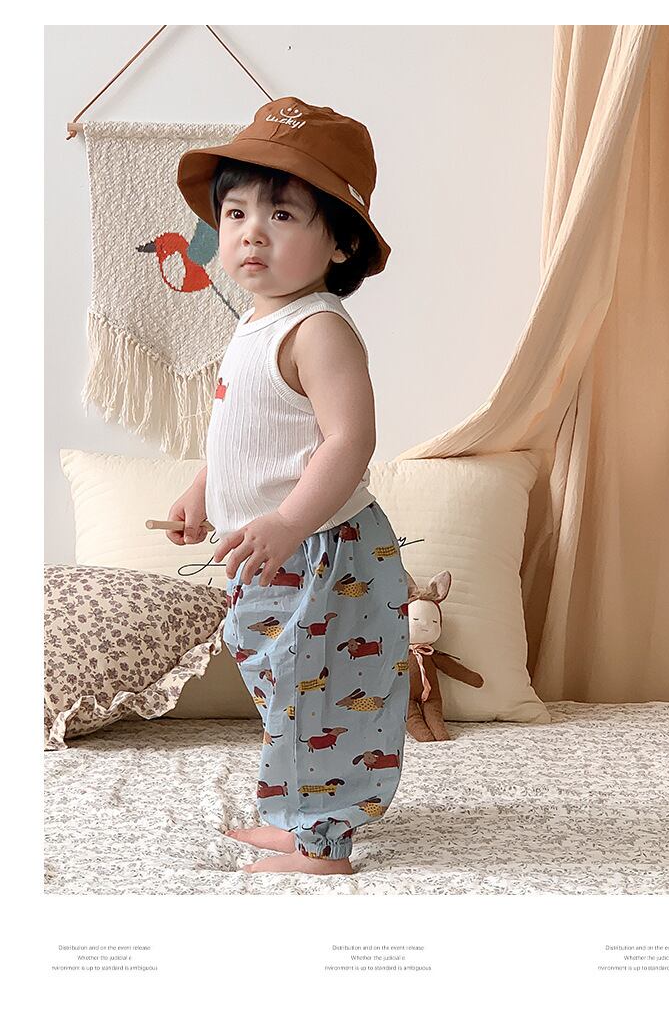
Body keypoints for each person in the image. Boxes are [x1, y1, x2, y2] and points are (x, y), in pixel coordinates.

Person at [168, 97, 410, 876]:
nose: (252, 232)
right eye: (236, 212)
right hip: (275, 553)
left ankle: (323, 842)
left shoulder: (319, 328)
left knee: (319, 692)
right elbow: (251, 433)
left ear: (340, 241)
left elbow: (348, 441)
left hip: (323, 551)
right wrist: (203, 490)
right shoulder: (254, 323)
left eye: (281, 214)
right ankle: (299, 816)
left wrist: (288, 522)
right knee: (284, 690)